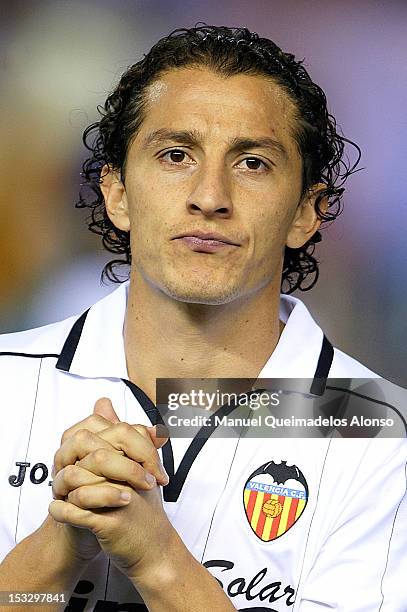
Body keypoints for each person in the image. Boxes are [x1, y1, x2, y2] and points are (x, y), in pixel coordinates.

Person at [0, 25, 405, 612]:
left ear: (306, 212)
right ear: (114, 191)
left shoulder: (383, 441)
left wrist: (158, 560)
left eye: (252, 163)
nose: (209, 195)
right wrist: (61, 541)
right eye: (176, 155)